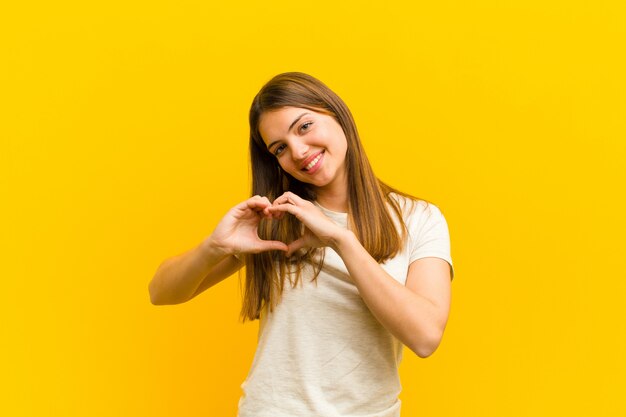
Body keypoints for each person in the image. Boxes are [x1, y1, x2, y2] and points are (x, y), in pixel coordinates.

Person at [148, 72, 455, 417]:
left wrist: (340, 239)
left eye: (304, 126)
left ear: (337, 115)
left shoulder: (418, 218)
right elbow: (161, 292)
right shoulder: (276, 218)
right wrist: (214, 247)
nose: (297, 151)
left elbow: (426, 337)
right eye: (279, 147)